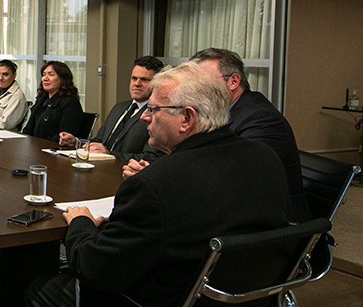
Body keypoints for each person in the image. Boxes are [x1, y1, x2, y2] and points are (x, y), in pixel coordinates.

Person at [25, 61, 290, 307]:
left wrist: (80, 223)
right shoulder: (266, 159)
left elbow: (94, 269)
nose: (144, 117)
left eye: (153, 110)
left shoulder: (157, 185)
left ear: (187, 118)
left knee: (42, 291)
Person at [123, 48, 311, 222]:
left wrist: (161, 179)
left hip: (271, 228)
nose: (195, 87)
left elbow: (232, 180)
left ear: (234, 82)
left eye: (204, 80)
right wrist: (157, 173)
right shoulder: (208, 114)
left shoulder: (262, 120)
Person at [61, 56, 165, 162]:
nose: (137, 84)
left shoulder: (157, 115)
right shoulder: (119, 108)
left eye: (144, 80)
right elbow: (99, 141)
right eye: (134, 78)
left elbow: (150, 158)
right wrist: (77, 142)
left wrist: (109, 154)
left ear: (156, 84)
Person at [22, 61, 84, 142]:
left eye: (51, 74)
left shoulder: (70, 103)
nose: (45, 78)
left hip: (53, 150)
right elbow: (28, 129)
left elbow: (64, 136)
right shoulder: (42, 100)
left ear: (62, 79)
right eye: (44, 75)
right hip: (35, 147)